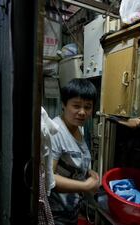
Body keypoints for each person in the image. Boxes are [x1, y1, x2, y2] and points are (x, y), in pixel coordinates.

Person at [48, 78, 100, 225]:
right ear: (64, 104)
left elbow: (69, 163)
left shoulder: (78, 128)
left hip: (72, 208)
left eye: (88, 107)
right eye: (76, 106)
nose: (82, 112)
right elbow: (49, 178)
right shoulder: (56, 131)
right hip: (57, 213)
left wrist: (87, 172)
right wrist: (86, 186)